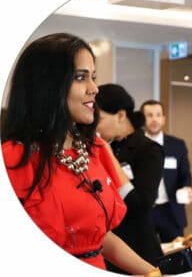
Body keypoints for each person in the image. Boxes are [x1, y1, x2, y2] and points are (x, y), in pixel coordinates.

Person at [0, 33, 162, 276]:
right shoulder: (15, 158)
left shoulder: (91, 149)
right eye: (80, 77)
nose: (94, 89)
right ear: (48, 85)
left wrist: (153, 273)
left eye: (93, 77)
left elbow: (97, 239)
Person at [95, 84, 164, 273]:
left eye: (99, 119)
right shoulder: (103, 148)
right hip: (106, 247)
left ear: (121, 115)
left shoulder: (148, 149)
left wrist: (108, 157)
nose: (95, 126)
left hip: (137, 247)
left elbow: (141, 204)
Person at [140, 100, 192, 243]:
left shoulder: (177, 145)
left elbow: (185, 174)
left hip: (171, 212)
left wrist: (187, 187)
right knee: (145, 257)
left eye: (158, 115)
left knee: (177, 257)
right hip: (143, 212)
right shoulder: (134, 145)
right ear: (142, 119)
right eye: (150, 115)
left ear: (163, 119)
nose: (154, 119)